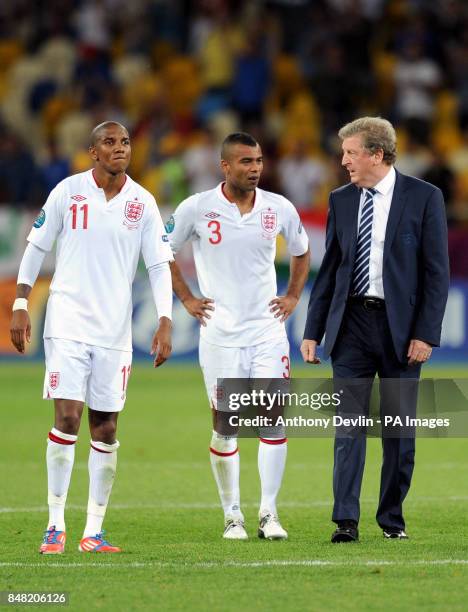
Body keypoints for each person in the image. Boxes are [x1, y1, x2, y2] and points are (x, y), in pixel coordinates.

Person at [9, 121, 173, 554]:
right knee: (67, 419)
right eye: (109, 142)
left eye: (125, 142)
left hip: (114, 331)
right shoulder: (67, 191)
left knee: (105, 427)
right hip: (66, 322)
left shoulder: (143, 202)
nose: (120, 148)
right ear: (92, 152)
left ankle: (93, 532)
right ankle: (55, 525)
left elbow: (158, 264)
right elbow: (37, 247)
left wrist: (164, 317)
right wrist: (21, 304)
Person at [301, 117, 449, 543]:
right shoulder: (341, 199)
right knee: (348, 428)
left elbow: (436, 273)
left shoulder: (425, 197)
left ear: (377, 155)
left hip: (401, 331)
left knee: (399, 433)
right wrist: (313, 330)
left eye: (351, 153)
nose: (344, 161)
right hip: (350, 327)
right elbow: (330, 268)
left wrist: (426, 334)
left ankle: (391, 519)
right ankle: (346, 520)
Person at [168, 132, 310, 540]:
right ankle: (233, 514)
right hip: (221, 334)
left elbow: (301, 250)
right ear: (225, 166)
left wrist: (294, 294)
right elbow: (162, 251)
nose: (255, 169)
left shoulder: (278, 207)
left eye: (260, 161)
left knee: (271, 419)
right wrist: (187, 299)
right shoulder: (197, 208)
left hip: (267, 331)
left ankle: (268, 513)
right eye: (246, 162)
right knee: (226, 423)